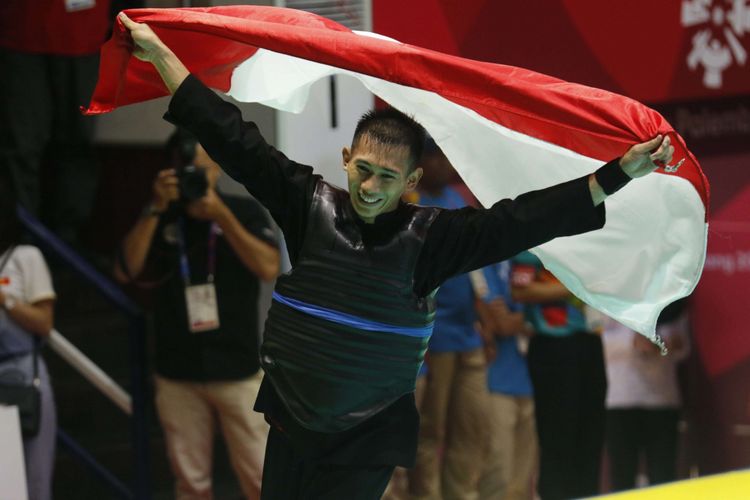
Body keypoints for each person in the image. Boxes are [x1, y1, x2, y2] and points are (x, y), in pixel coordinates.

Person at [117, 12, 674, 499]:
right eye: (362, 170)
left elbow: (523, 219)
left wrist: (617, 173)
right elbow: (230, 137)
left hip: (369, 434)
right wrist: (163, 55)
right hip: (289, 420)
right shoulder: (305, 203)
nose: (369, 187)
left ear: (411, 181)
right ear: (345, 159)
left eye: (387, 177)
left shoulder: (434, 238)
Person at [114, 129, 281, 500]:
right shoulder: (161, 217)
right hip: (178, 372)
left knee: (263, 479)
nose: (193, 174)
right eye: (185, 166)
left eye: (201, 166)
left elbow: (269, 266)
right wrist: (155, 208)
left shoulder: (243, 210)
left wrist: (220, 214)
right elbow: (126, 269)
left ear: (217, 167)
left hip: (237, 369)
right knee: (191, 485)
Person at [410, 142, 491, 500]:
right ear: (422, 164)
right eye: (437, 158)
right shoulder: (409, 206)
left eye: (447, 156)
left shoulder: (458, 200)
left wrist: (484, 318)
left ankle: (463, 495)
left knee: (471, 427)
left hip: (468, 332)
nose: (445, 164)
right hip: (435, 337)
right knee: (431, 431)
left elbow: (476, 267)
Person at [0, 0, 115, 246]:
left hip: (83, 34)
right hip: (20, 33)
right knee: (21, 146)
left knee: (78, 142)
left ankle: (67, 246)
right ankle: (22, 243)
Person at [511, 251, 607, 500]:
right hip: (553, 345)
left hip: (590, 341)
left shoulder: (590, 243)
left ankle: (587, 494)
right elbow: (520, 289)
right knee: (557, 433)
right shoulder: (537, 245)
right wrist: (573, 287)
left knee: (590, 432)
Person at [0, 180, 57, 500]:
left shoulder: (25, 257)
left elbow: (44, 323)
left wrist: (6, 300)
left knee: (34, 483)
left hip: (22, 376)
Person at [603, 309, 690, 491]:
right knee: (622, 479)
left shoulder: (671, 300)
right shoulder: (607, 297)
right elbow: (598, 339)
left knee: (663, 477)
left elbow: (682, 345)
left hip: (662, 399)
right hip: (620, 399)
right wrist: (633, 342)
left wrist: (660, 342)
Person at [474, 261, 537, 500]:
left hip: (533, 380)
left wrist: (522, 315)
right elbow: (499, 322)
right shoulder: (487, 260)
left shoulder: (532, 258)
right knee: (497, 474)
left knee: (521, 485)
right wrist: (533, 312)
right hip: (496, 381)